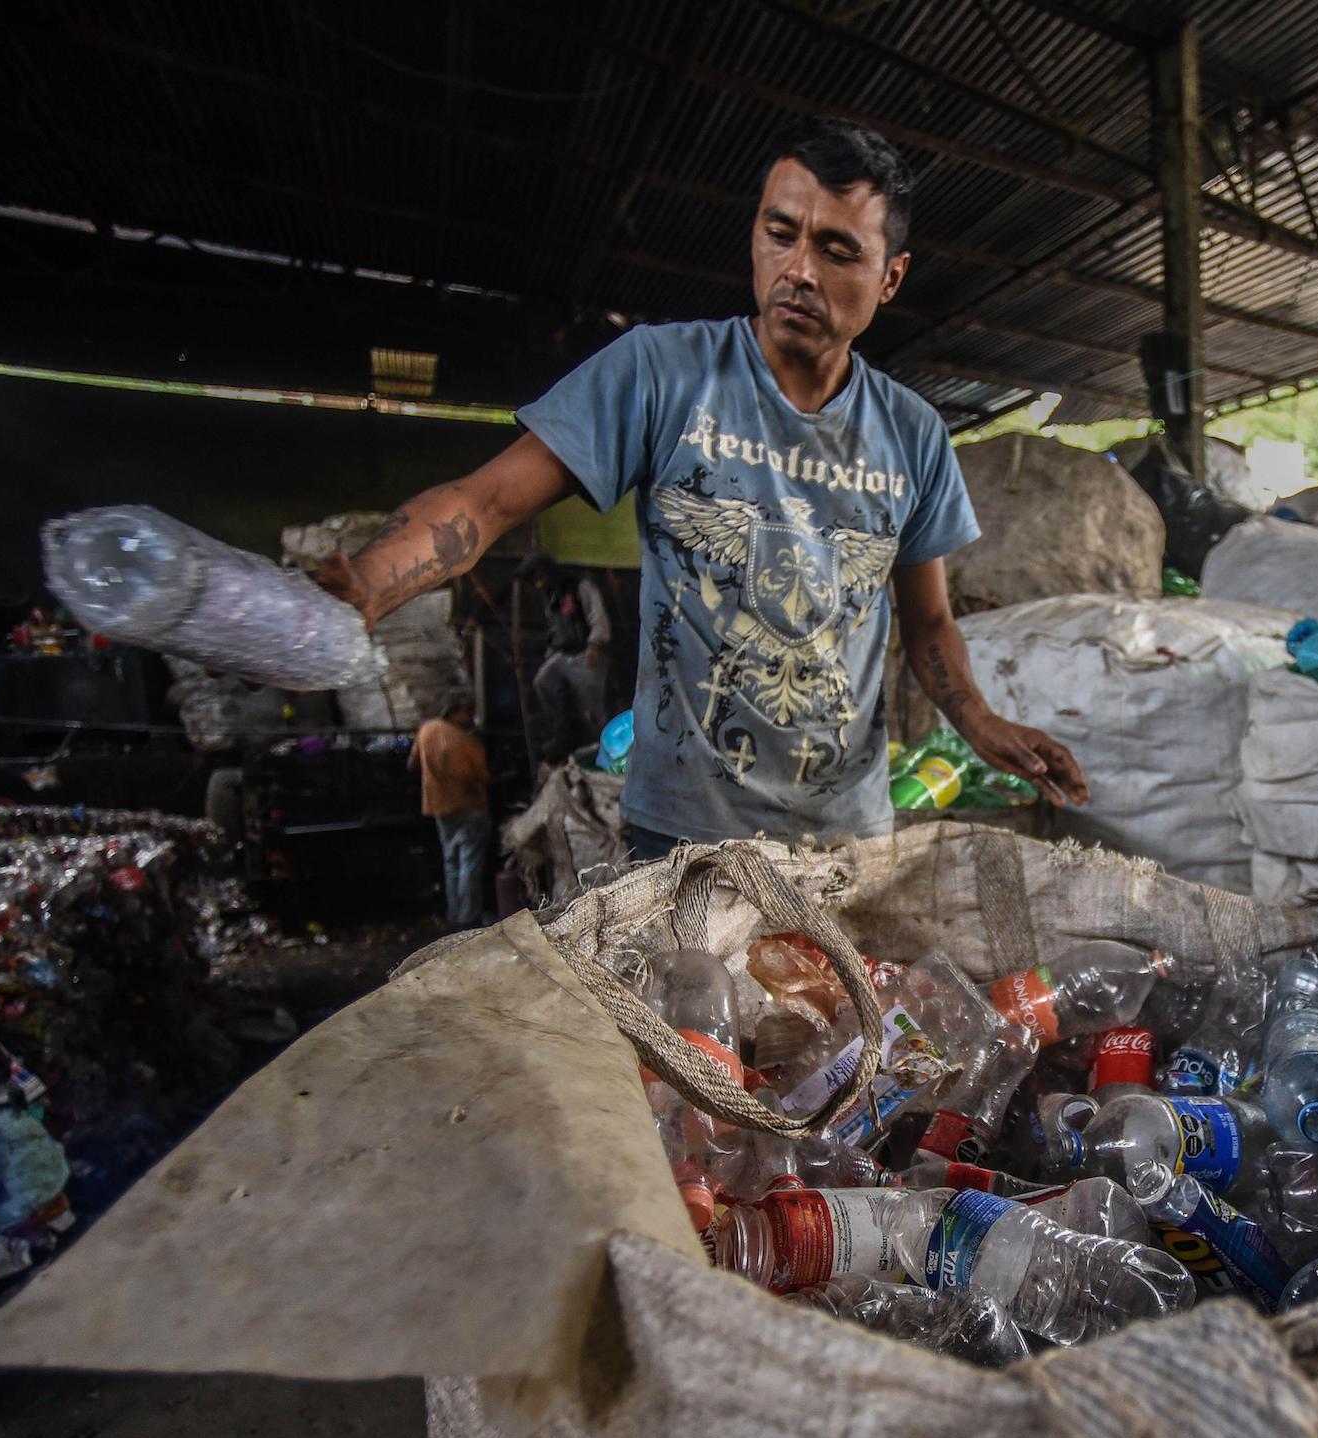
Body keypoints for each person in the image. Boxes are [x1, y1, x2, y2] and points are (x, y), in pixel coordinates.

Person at [315, 118, 1086, 864]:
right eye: (780, 233)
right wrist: (374, 578)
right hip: (684, 838)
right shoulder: (662, 373)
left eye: (837, 249)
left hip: (847, 836)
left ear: (890, 278)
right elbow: (486, 503)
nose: (799, 270)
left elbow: (929, 623)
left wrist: (979, 721)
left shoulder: (913, 431)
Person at [410, 695, 492, 926]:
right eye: (467, 712)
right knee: (470, 862)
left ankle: (454, 914)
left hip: (438, 805)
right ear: (453, 712)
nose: (470, 718)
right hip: (470, 805)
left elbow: (412, 764)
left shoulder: (426, 730)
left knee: (451, 862)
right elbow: (484, 776)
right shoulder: (466, 741)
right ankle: (469, 917)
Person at [526, 555, 612, 766]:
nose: (538, 584)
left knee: (593, 708)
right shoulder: (551, 596)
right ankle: (563, 729)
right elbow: (556, 628)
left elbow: (598, 617)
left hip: (586, 652)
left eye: (539, 577)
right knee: (543, 682)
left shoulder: (581, 586)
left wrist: (594, 644)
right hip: (564, 654)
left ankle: (602, 749)